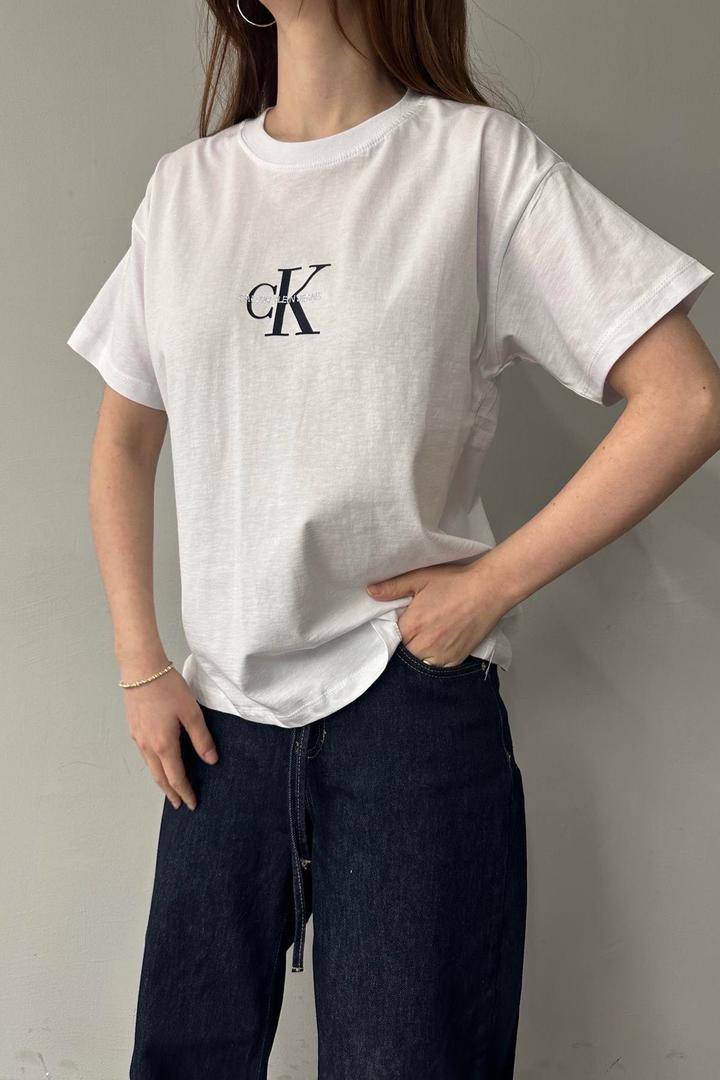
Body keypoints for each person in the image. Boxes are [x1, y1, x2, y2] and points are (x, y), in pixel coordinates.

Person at [65, 0, 719, 1076]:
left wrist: (493, 584)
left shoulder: (476, 165)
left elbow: (686, 398)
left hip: (407, 710)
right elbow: (124, 444)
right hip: (218, 727)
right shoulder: (186, 192)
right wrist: (142, 667)